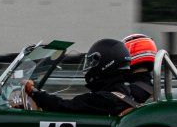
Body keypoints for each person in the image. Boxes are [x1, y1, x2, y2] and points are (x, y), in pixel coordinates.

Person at [23, 37, 152, 116]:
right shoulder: (127, 93)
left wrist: (35, 93)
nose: (89, 67)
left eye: (92, 62)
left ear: (104, 64)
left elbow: (63, 106)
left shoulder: (102, 99)